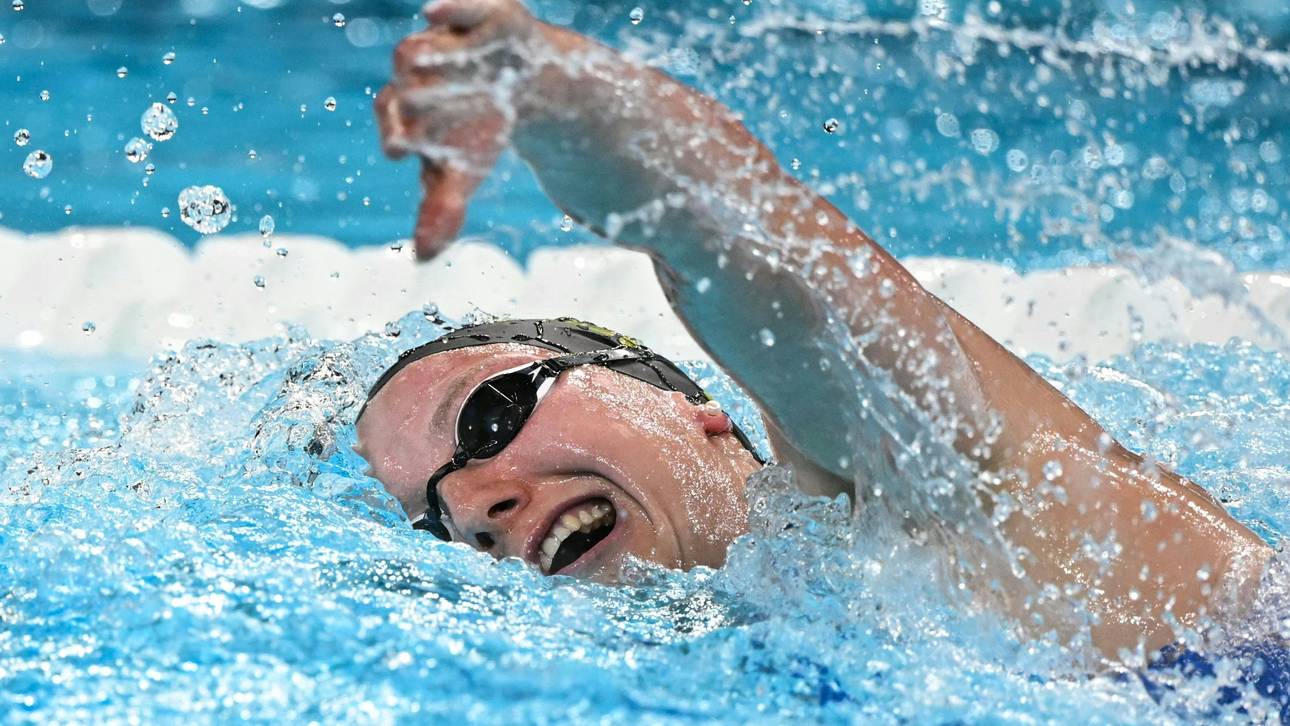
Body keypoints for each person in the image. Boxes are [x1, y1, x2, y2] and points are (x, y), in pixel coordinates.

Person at [355, 0, 1273, 665]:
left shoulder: (940, 511)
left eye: (489, 419)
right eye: (433, 521)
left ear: (687, 404)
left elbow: (741, 246)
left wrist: (547, 91)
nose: (473, 509)